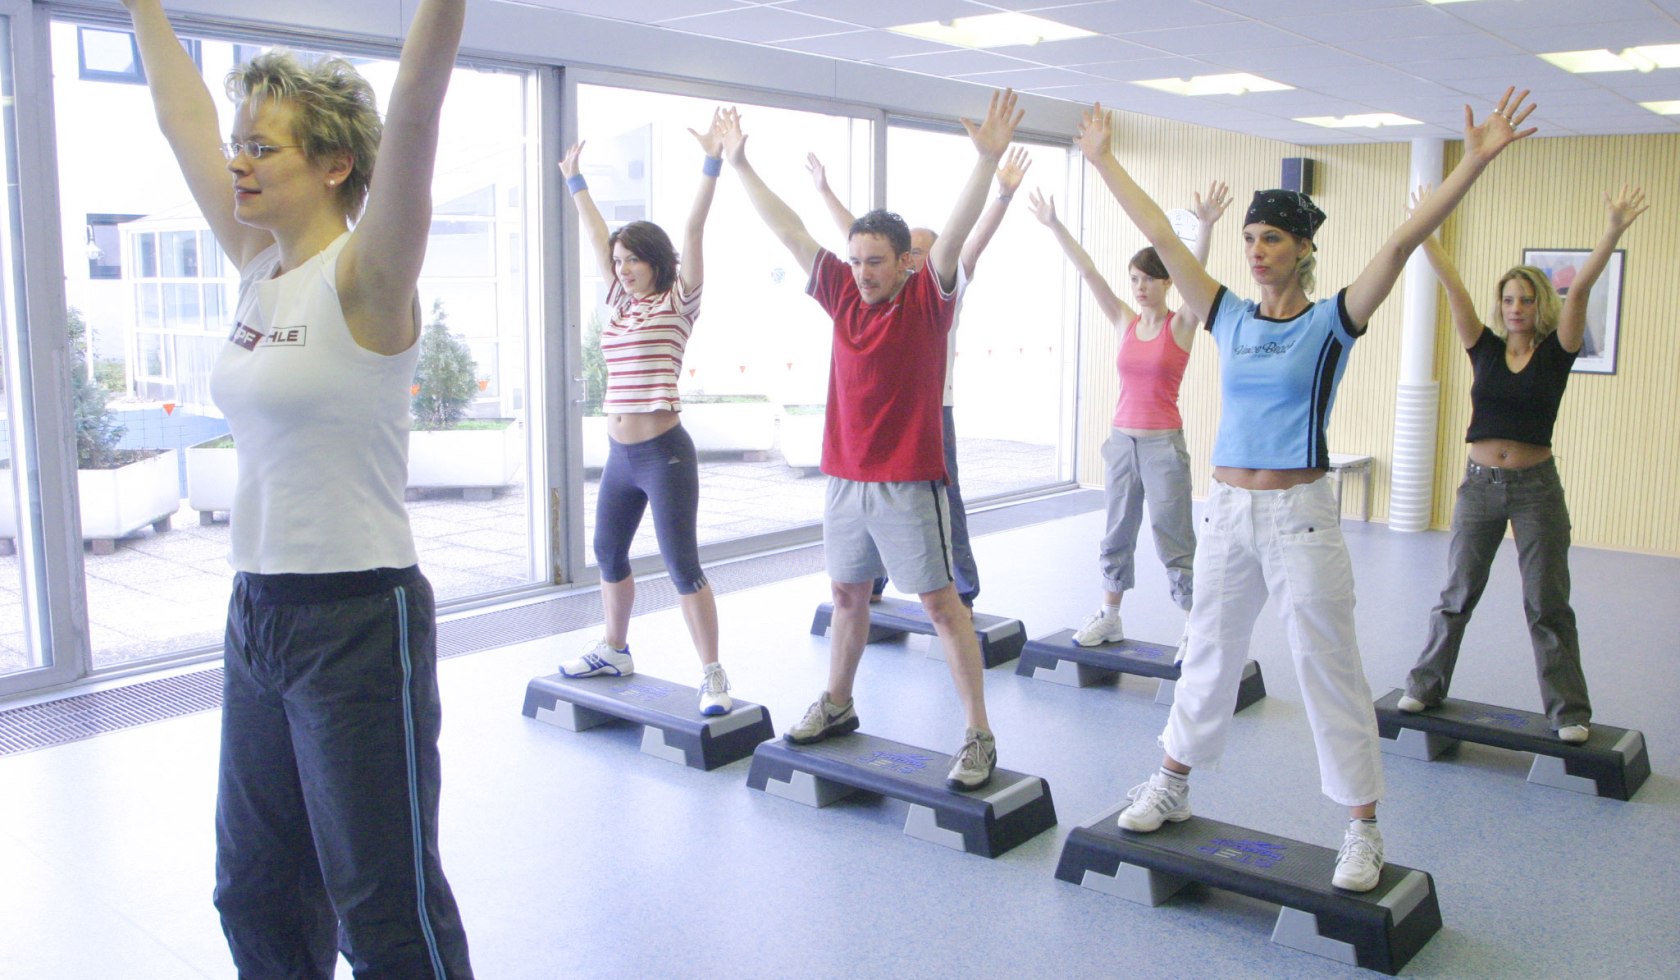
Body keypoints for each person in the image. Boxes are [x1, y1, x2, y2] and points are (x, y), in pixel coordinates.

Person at [1077, 87, 1537, 892]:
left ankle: (1361, 828)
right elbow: (1158, 232)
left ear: (1302, 250)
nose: (1256, 250)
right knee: (1208, 656)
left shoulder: (1331, 323)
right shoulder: (1224, 315)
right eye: (1250, 238)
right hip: (1227, 514)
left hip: (1300, 517)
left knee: (1329, 666)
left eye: (1272, 239)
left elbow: (1401, 243)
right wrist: (1103, 159)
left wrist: (1474, 161)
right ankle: (1173, 781)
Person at [122, 0, 473, 974]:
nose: (238, 161)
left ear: (332, 164)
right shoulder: (258, 265)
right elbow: (178, 113)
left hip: (358, 618)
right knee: (256, 887)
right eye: (239, 145)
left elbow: (414, 117)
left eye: (262, 148)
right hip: (258, 616)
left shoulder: (366, 274)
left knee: (382, 904)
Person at [720, 90, 1023, 791]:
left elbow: (954, 230)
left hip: (907, 481)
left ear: (904, 263)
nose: (862, 270)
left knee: (944, 608)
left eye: (876, 260)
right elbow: (791, 230)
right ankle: (837, 702)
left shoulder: (926, 302)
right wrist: (741, 166)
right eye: (856, 258)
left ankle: (978, 734)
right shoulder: (840, 295)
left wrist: (985, 162)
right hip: (843, 478)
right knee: (848, 597)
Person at [1399, 185, 1648, 742]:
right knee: (1457, 594)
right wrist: (1425, 228)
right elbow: (1452, 284)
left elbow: (1581, 285)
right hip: (1479, 487)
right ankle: (1425, 683)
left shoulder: (1557, 352)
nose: (1516, 308)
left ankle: (1569, 713)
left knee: (1547, 602)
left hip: (1536, 489)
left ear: (1540, 304)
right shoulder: (1482, 346)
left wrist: (1612, 230)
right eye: (1509, 299)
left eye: (1526, 300)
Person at [555, 114, 736, 716]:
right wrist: (575, 181)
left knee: (682, 564)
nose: (624, 267)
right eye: (619, 260)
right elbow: (595, 231)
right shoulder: (617, 301)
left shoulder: (679, 301)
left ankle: (713, 675)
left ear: (656, 261)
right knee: (608, 553)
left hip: (665, 453)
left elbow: (694, 226)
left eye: (634, 259)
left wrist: (712, 162)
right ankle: (614, 648)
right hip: (620, 457)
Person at [802, 148, 1034, 607]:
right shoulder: (876, 287)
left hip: (930, 410)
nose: (920, 263)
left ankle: (959, 589)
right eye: (917, 255)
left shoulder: (938, 294)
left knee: (944, 504)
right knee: (879, 508)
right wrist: (825, 192)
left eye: (925, 254)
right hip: (877, 428)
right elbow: (858, 239)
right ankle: (875, 580)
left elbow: (970, 242)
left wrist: (1002, 196)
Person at [1028, 182, 1231, 653]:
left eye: (1148, 280)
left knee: (1172, 536)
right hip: (1121, 442)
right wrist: (1055, 224)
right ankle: (1111, 614)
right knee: (1117, 531)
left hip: (1162, 445)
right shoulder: (1124, 320)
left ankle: (1194, 625)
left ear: (1166, 284)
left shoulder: (1182, 325)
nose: (1139, 288)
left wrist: (1204, 228)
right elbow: (1088, 270)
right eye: (1134, 279)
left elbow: (1195, 272)